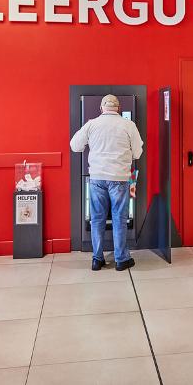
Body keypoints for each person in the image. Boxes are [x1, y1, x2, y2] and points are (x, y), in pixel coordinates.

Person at [69, 94, 143, 271]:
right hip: (120, 178)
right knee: (119, 219)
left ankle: (97, 259)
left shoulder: (92, 124)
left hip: (97, 178)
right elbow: (138, 153)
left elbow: (75, 146)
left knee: (97, 219)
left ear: (101, 108)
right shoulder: (128, 124)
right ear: (118, 109)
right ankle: (121, 259)